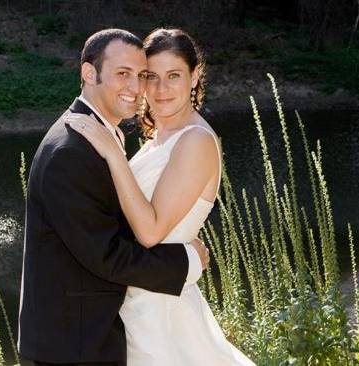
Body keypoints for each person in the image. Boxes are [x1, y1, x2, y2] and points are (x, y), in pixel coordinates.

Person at [17, 28, 210, 366]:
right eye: (123, 74)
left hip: (100, 334)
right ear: (89, 73)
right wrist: (187, 261)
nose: (136, 88)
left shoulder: (99, 136)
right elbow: (107, 255)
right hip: (72, 347)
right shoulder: (71, 151)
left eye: (140, 75)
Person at [67, 28, 256, 365]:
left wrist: (113, 154)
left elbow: (151, 231)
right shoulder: (160, 137)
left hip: (158, 310)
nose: (160, 88)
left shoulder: (195, 141)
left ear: (195, 76)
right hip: (137, 296)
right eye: (151, 76)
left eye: (174, 75)